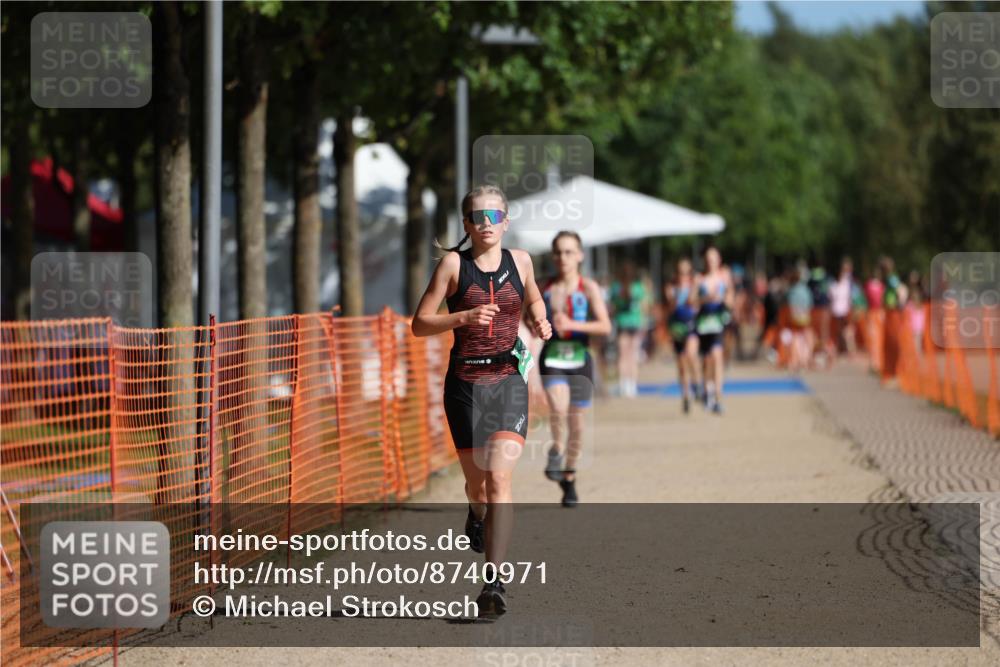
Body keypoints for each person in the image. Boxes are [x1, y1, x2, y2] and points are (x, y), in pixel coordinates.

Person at [411, 184, 552, 617]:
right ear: (468, 224)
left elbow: (533, 298)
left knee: (501, 481)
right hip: (466, 385)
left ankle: (494, 582)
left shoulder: (521, 261)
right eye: (478, 217)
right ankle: (475, 512)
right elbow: (419, 324)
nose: (487, 224)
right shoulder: (455, 265)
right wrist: (464, 317)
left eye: (495, 216)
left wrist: (541, 319)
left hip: (509, 379)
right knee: (479, 487)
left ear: (506, 222)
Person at [538, 231, 611, 507]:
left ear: (580, 255)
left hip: (580, 358)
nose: (563, 258)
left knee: (577, 425)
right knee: (558, 407)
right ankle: (556, 450)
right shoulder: (544, 288)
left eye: (569, 252)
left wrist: (573, 325)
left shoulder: (587, 287)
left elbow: (605, 326)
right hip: (553, 357)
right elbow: (524, 321)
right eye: (558, 252)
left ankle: (569, 478)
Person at [694, 246, 733, 413]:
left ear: (719, 260)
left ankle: (718, 397)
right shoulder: (699, 278)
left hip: (718, 321)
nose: (711, 262)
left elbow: (730, 299)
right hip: (703, 322)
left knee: (717, 357)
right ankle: (707, 390)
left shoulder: (724, 277)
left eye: (714, 258)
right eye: (708, 259)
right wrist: (705, 298)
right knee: (707, 360)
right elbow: (693, 301)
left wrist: (723, 298)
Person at [665, 257, 700, 414]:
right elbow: (671, 307)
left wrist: (691, 290)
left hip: (691, 323)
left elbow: (693, 302)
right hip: (677, 326)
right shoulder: (671, 286)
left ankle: (696, 383)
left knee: (691, 355)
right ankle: (686, 395)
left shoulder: (694, 284)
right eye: (681, 272)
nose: (683, 275)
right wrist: (676, 295)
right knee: (681, 363)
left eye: (686, 272)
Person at [609, 261, 649, 398]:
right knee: (633, 355)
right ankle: (632, 385)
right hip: (635, 322)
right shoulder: (638, 287)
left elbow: (612, 307)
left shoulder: (616, 287)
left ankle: (623, 384)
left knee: (623, 355)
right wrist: (643, 323)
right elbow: (643, 307)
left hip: (622, 323)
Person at [828, 257, 855, 356]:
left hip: (842, 310)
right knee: (843, 330)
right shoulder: (843, 283)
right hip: (840, 310)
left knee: (846, 330)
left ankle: (848, 349)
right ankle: (844, 349)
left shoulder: (844, 283)